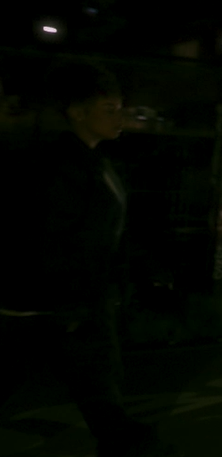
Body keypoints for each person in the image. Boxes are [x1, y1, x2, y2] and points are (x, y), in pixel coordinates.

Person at [0, 61, 174, 457]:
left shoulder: (96, 163)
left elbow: (105, 234)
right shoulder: (62, 167)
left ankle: (128, 445)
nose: (121, 118)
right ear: (77, 113)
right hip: (58, 306)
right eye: (109, 109)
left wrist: (138, 273)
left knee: (99, 391)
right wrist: (72, 302)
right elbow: (51, 239)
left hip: (73, 304)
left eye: (121, 108)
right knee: (97, 391)